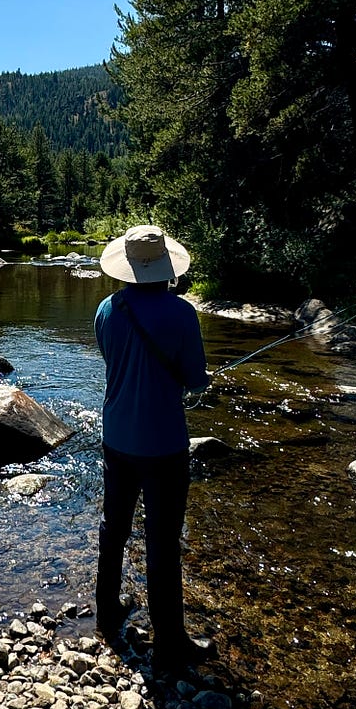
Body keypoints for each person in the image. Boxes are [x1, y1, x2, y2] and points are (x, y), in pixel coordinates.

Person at [93, 222, 211, 671]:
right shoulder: (182, 314)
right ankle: (170, 641)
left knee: (114, 525)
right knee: (163, 540)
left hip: (116, 438)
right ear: (166, 268)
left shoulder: (107, 308)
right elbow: (195, 381)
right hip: (163, 445)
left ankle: (108, 611)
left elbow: (114, 361)